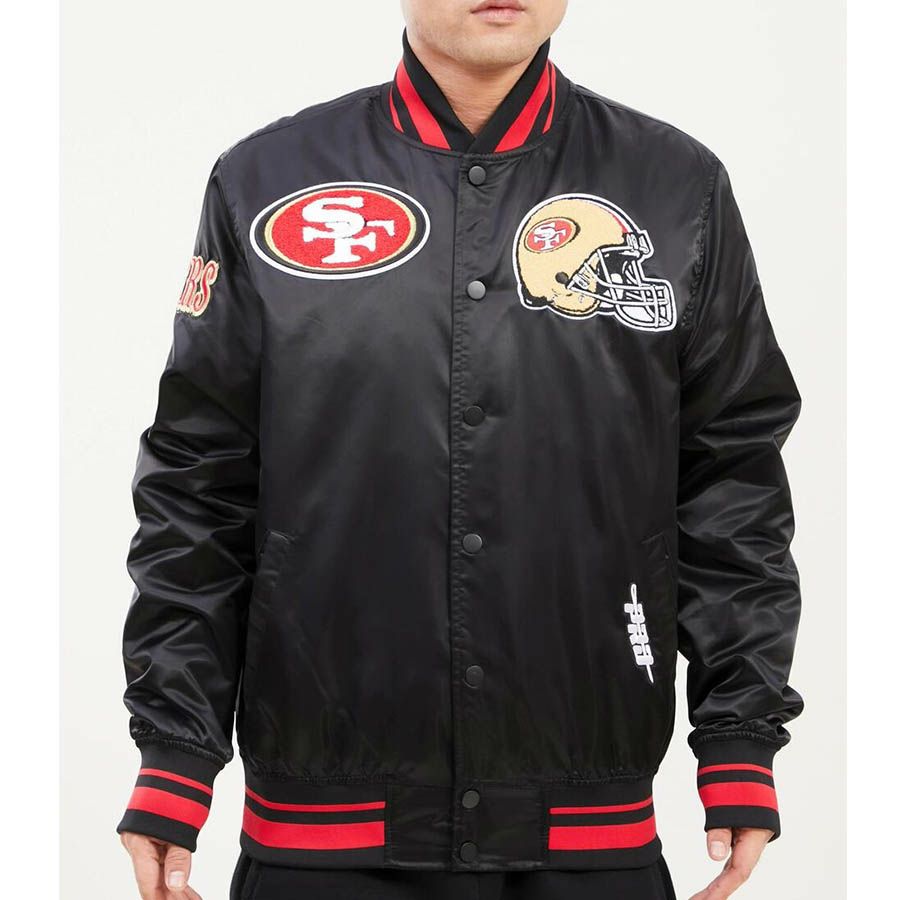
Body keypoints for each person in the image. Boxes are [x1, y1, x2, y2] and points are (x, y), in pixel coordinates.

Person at [116, 1, 804, 898]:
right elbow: (199, 487)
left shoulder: (675, 188)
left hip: (588, 838)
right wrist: (175, 755)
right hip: (321, 842)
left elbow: (731, 480)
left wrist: (740, 736)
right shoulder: (267, 179)